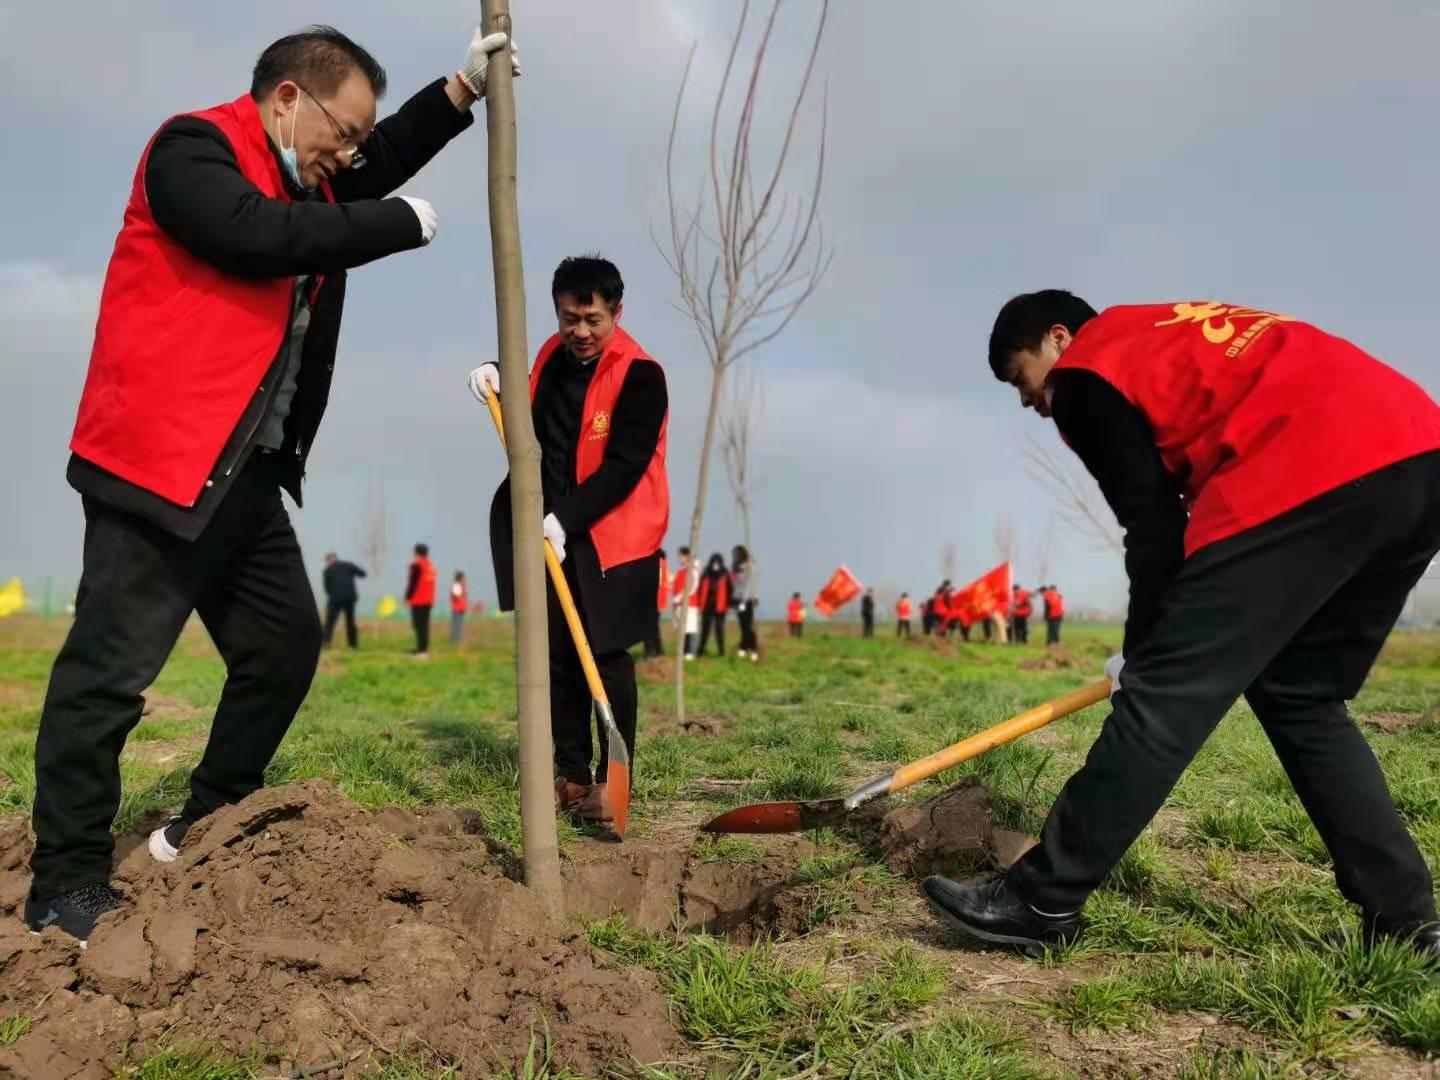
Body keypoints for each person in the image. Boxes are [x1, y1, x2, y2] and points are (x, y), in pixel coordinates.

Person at [24, 24, 519, 942]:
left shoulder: (308, 175)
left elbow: (363, 173)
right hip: (158, 467)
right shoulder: (193, 152)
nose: (354, 152)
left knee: (284, 647)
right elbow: (259, 238)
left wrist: (459, 92)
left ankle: (207, 819)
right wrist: (392, 222)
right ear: (289, 99)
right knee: (108, 679)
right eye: (346, 129)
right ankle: (64, 881)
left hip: (243, 477)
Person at [923, 290, 1440, 960]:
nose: (1031, 402)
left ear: (1058, 339)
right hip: (1419, 459)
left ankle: (1040, 898)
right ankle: (1407, 922)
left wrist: (1143, 656)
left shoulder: (1087, 370)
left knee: (1165, 699)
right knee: (1301, 696)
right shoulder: (1162, 331)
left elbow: (1154, 526)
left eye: (1024, 380)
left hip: (1305, 467)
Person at [471, 256, 668, 827]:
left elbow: (627, 466)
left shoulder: (641, 375)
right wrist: (495, 376)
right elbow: (529, 407)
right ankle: (573, 773)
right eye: (568, 318)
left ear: (616, 314)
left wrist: (568, 519)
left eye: (593, 319)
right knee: (557, 657)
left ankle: (614, 782)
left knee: (605, 659)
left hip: (612, 539)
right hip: (547, 534)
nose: (580, 331)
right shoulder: (551, 360)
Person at [321, 552, 366, 649]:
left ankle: (326, 643)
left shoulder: (327, 570)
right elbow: (362, 573)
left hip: (335, 599)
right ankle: (353, 644)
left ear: (328, 561)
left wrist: (332, 594)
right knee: (350, 621)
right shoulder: (348, 565)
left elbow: (326, 587)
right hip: (350, 598)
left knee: (330, 622)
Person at [696, 553, 733, 657]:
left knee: (719, 630)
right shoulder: (706, 573)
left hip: (720, 607)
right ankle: (701, 651)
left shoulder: (725, 573)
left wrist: (728, 604)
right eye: (714, 562)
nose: (716, 564)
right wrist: (699, 603)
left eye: (718, 562)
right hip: (707, 606)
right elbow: (700, 589)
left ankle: (721, 652)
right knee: (705, 630)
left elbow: (730, 590)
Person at [405, 543, 437, 657]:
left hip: (418, 600)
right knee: (424, 625)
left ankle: (422, 651)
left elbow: (413, 583)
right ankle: (422, 649)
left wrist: (407, 597)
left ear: (416, 553)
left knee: (418, 625)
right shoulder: (431, 566)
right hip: (428, 600)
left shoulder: (417, 565)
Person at [671, 547, 701, 660]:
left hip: (689, 603)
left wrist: (680, 597)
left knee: (690, 628)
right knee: (682, 629)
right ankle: (684, 652)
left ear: (686, 556)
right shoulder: (682, 570)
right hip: (680, 604)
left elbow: (692, 586)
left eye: (680, 556)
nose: (679, 558)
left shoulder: (693, 569)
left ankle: (691, 652)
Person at [732, 545, 760, 661]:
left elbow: (749, 585)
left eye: (736, 554)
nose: (734, 556)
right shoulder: (734, 567)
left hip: (749, 600)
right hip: (737, 599)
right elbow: (735, 584)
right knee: (743, 626)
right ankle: (744, 647)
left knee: (748, 626)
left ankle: (752, 649)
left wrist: (744, 600)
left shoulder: (751, 568)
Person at [644, 549, 668, 658]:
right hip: (657, 601)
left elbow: (657, 584)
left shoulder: (657, 565)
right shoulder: (663, 565)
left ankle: (651, 650)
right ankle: (657, 650)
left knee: (648, 627)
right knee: (653, 627)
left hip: (652, 600)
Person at [449, 571, 469, 645]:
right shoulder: (456, 585)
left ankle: (458, 639)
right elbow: (457, 596)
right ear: (460, 578)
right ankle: (456, 640)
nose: (464, 579)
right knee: (457, 625)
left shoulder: (461, 585)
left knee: (460, 625)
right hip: (457, 608)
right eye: (463, 577)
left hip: (461, 608)